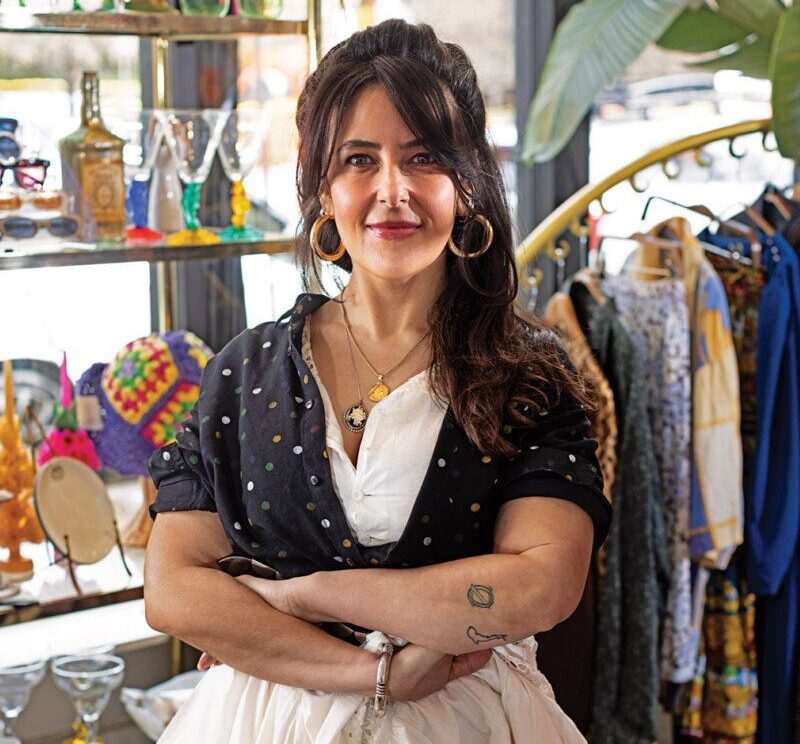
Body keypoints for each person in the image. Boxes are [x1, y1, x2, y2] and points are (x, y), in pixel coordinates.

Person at [144, 19, 610, 743]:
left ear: (466, 185)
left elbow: (539, 588)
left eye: (423, 159)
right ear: (323, 191)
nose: (392, 191)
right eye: (359, 161)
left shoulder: (529, 377)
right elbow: (174, 592)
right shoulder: (245, 373)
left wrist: (301, 597)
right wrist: (375, 675)